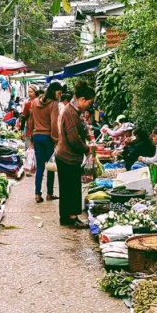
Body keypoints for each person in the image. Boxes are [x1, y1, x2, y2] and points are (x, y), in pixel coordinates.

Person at [55, 81, 96, 228]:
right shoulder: (70, 113)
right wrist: (87, 149)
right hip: (68, 157)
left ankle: (66, 217)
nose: (89, 105)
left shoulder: (73, 111)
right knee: (71, 188)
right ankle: (71, 217)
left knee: (67, 188)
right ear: (82, 99)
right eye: (89, 102)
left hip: (65, 156)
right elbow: (74, 139)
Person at [28, 81, 64, 203]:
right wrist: (56, 140)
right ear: (54, 91)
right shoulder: (53, 104)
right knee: (50, 166)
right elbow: (54, 123)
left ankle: (37, 194)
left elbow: (31, 121)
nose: (59, 97)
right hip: (48, 137)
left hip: (37, 136)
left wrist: (31, 138)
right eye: (59, 94)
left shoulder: (34, 102)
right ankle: (49, 193)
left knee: (40, 167)